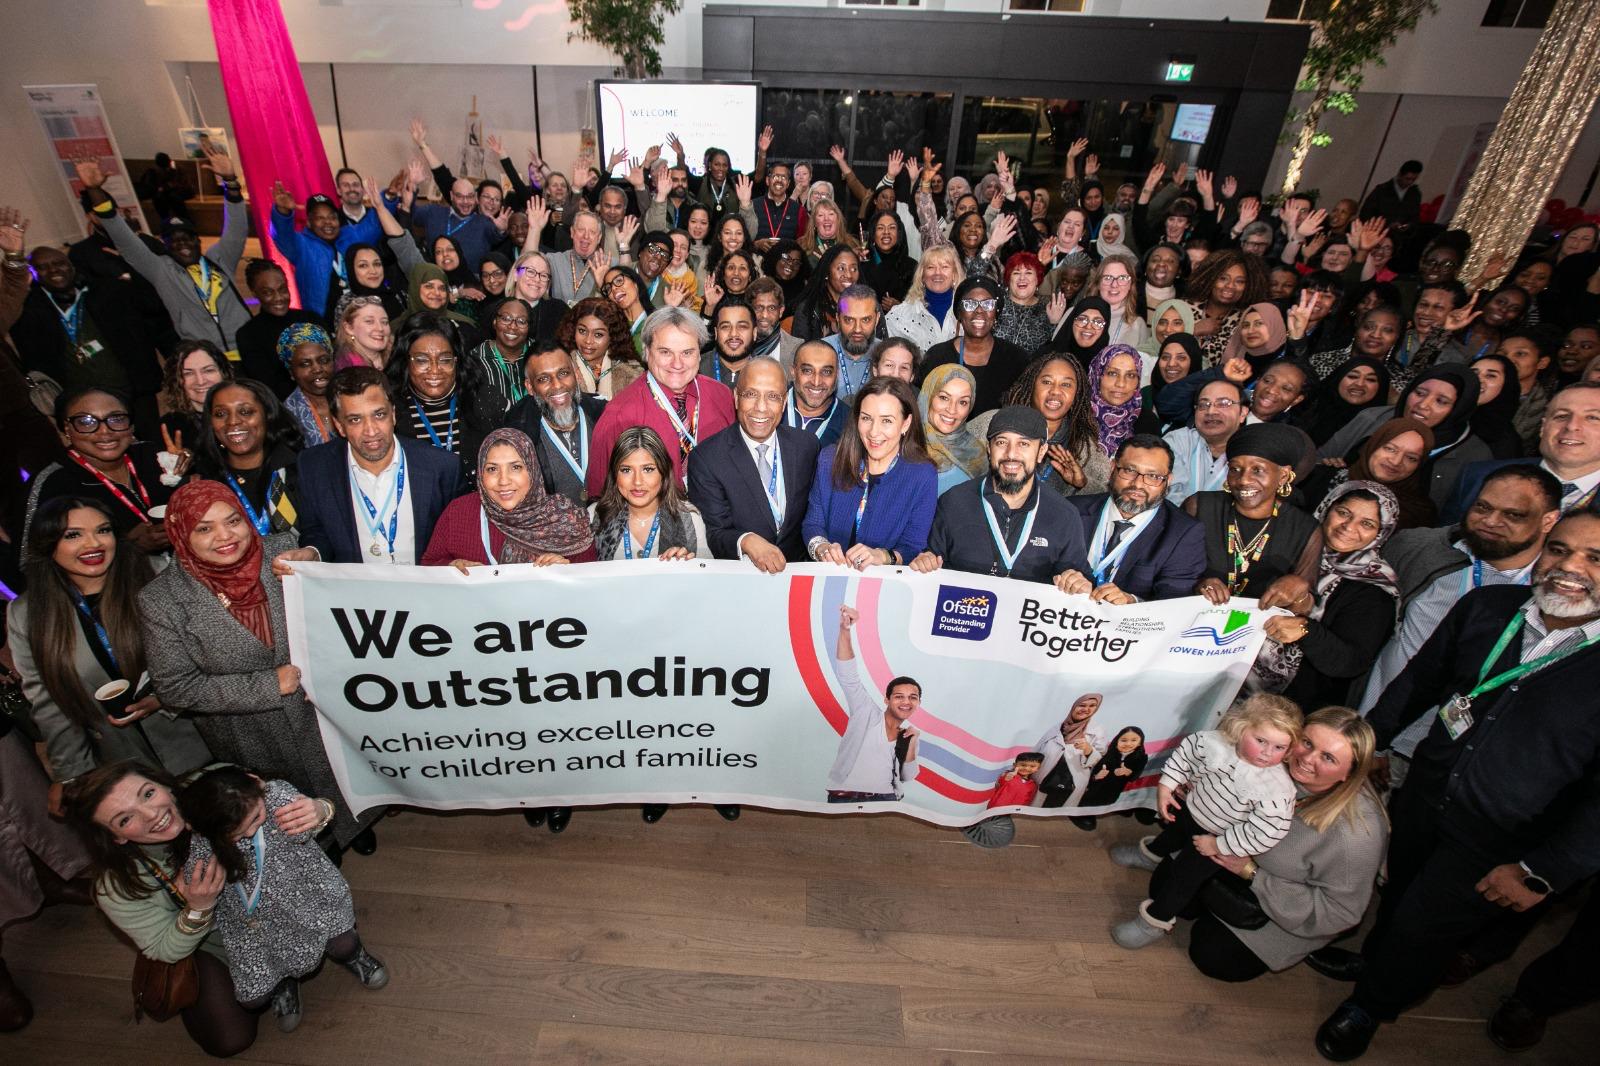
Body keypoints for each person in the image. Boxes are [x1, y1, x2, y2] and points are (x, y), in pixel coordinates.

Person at [1313, 511, 1600, 1062]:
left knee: (1425, 927)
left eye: (1595, 558)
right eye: (1560, 550)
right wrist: (1369, 745)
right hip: (1426, 792)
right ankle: (1374, 962)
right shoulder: (1488, 607)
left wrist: (1545, 870)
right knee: (1399, 894)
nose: (1570, 567)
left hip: (1500, 837)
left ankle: (1371, 1005)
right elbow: (1420, 681)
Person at [137, 480, 374, 854]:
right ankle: (316, 847)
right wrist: (268, 685)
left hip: (321, 707)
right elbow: (175, 688)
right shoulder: (161, 600)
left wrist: (314, 559)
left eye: (233, 521)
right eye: (204, 528)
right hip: (247, 731)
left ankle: (353, 825)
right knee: (281, 802)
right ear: (180, 533)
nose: (224, 536)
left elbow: (339, 606)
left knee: (340, 778)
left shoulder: (282, 552)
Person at [1153, 706, 1389, 983]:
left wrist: (1252, 873)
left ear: (1349, 773)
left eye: (1328, 757)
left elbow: (1340, 913)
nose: (1306, 759)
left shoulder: (1355, 836)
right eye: (1307, 742)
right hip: (1224, 853)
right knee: (1161, 889)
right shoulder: (1271, 754)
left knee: (1212, 955)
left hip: (1279, 899)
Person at [1359, 465, 1563, 772]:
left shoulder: (1552, 597)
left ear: (1549, 520)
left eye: (1513, 514)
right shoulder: (1421, 549)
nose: (1491, 521)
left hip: (1443, 762)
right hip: (1365, 734)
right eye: (1483, 507)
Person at [10, 498, 211, 792]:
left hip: (201, 742)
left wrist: (168, 696)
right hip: (123, 770)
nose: (93, 543)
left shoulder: (158, 574)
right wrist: (73, 776)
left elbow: (210, 652)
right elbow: (50, 705)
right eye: (73, 535)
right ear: (48, 544)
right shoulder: (27, 614)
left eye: (103, 530)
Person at [62, 763, 260, 1056]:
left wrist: (319, 811)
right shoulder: (117, 887)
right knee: (230, 1040)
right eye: (125, 818)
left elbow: (292, 806)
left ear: (163, 784)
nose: (151, 814)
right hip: (209, 942)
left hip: (273, 907)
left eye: (148, 793)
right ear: (116, 837)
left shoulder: (213, 786)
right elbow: (163, 948)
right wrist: (198, 907)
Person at [177, 767, 387, 1031]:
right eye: (238, 833)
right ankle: (284, 981)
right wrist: (194, 894)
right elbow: (200, 888)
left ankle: (355, 957)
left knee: (344, 943)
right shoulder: (204, 843)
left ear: (256, 784)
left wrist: (320, 810)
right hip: (257, 924)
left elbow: (313, 820)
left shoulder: (275, 798)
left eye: (256, 817)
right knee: (254, 998)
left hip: (310, 894)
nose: (251, 831)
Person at [1110, 695, 1303, 949]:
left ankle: (1154, 922)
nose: (1268, 753)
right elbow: (1186, 754)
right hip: (1192, 809)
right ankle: (1150, 856)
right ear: (1241, 727)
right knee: (1171, 835)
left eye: (1279, 747)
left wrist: (1219, 845)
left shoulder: (1277, 789)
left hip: (1218, 839)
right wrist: (1167, 785)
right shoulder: (1215, 743)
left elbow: (1267, 831)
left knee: (1182, 880)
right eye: (1261, 741)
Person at [76, 149, 251, 359]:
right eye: (174, 240)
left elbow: (237, 228)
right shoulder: (161, 270)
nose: (182, 243)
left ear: (198, 240)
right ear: (165, 246)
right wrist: (94, 190)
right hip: (206, 358)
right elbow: (123, 237)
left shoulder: (220, 258)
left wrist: (231, 181)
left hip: (246, 349)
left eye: (187, 237)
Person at [1249, 482, 1402, 710]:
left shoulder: (1374, 590)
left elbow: (1351, 662)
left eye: (1367, 524)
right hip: (1224, 671)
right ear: (1326, 508)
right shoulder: (1281, 546)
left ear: (1381, 533)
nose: (1348, 527)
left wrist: (1306, 630)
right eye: (1343, 513)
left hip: (1287, 710)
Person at [295, 365, 465, 565]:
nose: (371, 430)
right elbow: (316, 531)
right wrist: (314, 552)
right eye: (355, 419)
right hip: (354, 584)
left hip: (424, 582)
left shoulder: (442, 467)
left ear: (393, 414)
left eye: (379, 415)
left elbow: (458, 536)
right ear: (339, 426)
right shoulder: (314, 467)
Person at [910, 404, 1090, 585]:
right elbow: (928, 559)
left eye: (1024, 444)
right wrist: (924, 561)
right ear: (989, 448)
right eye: (1001, 442)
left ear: (1041, 451)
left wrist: (1078, 582)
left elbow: (1079, 579)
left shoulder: (1064, 516)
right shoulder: (954, 502)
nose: (1011, 454)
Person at [13, 243, 165, 435]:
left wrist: (130, 265)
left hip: (133, 391)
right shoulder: (27, 312)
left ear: (72, 266)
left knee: (150, 442)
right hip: (81, 403)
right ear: (32, 274)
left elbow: (152, 306)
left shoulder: (107, 292)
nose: (53, 270)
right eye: (42, 267)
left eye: (59, 263)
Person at [585, 307, 736, 497]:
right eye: (665, 352)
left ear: (699, 353)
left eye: (687, 352)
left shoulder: (722, 396)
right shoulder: (619, 415)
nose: (677, 364)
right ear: (647, 352)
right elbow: (600, 494)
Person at [688, 357, 821, 568]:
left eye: (773, 396)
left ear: (784, 402)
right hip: (741, 577)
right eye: (751, 394)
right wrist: (746, 541)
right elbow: (715, 533)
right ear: (736, 398)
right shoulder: (707, 458)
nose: (761, 407)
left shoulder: (807, 446)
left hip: (796, 574)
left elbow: (814, 514)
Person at [25, 387, 178, 557]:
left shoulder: (153, 456)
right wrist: (128, 548)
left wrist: (192, 470)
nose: (105, 431)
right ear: (67, 429)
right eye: (86, 422)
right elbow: (34, 559)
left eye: (117, 419)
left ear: (131, 426)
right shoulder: (52, 484)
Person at [804, 376, 937, 569]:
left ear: (906, 424)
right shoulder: (830, 458)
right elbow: (812, 524)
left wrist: (882, 556)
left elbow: (911, 547)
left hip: (882, 582)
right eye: (866, 418)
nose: (874, 432)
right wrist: (822, 548)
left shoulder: (923, 474)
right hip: (829, 576)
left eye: (886, 421)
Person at [1319, 364, 1489, 511]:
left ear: (1459, 409)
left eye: (1441, 401)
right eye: (1420, 393)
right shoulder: (1372, 418)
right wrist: (1327, 468)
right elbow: (1318, 459)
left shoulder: (1474, 456)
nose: (1423, 405)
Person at [422, 428, 594, 570]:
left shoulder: (566, 519)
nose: (503, 481)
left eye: (515, 467)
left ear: (533, 470)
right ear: (481, 474)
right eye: (492, 469)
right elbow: (428, 566)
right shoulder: (458, 513)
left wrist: (567, 571)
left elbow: (591, 581)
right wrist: (449, 567)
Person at [1188, 422, 1322, 603]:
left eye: (1257, 470)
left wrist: (1300, 592)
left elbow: (1305, 607)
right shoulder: (1200, 506)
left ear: (1283, 475)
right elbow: (1170, 568)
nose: (1243, 480)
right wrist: (1199, 583)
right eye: (1235, 469)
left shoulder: (1304, 530)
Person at [1066, 434, 1206, 603]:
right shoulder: (1070, 510)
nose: (1138, 484)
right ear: (1112, 468)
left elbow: (1174, 603)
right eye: (1130, 471)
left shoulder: (1184, 533)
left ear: (1168, 480)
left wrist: (1132, 602)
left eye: (1153, 476)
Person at [1445, 382, 1600, 524]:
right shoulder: (1479, 475)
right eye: (1561, 416)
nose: (1571, 426)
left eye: (1592, 418)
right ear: (1542, 428)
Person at [969, 354, 1109, 498]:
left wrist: (1082, 485)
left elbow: (1107, 497)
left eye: (1066, 384)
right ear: (1032, 385)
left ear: (1077, 394)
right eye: (1047, 382)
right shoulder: (991, 423)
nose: (1055, 391)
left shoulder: (1085, 448)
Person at [387, 313, 498, 482]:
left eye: (445, 360)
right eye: (422, 360)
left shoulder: (484, 400)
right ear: (405, 361)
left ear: (457, 360)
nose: (434, 370)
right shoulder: (390, 408)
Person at [826, 605, 919, 803]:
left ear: (918, 703)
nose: (906, 701)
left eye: (913, 697)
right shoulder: (866, 712)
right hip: (845, 798)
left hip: (886, 800)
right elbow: (848, 676)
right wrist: (845, 630)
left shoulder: (908, 735)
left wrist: (911, 743)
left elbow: (907, 776)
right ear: (887, 699)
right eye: (899, 696)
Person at [194, 379, 306, 538]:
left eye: (245, 411)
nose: (233, 421)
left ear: (268, 415)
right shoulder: (204, 483)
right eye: (220, 414)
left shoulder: (301, 470)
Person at [503, 342, 606, 507]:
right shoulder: (518, 435)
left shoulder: (604, 415)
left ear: (576, 374)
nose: (557, 385)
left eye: (564, 373)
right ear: (530, 387)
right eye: (543, 379)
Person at [915, 277, 1031, 414]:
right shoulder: (937, 356)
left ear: (996, 313)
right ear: (959, 313)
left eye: (988, 304)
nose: (979, 310)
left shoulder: (1016, 359)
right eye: (970, 304)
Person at [268, 188, 367, 321]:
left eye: (332, 217)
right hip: (323, 323)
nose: (328, 222)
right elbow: (282, 234)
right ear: (309, 223)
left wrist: (389, 197)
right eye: (320, 218)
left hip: (359, 318)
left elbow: (373, 226)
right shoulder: (302, 244)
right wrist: (283, 212)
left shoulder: (349, 236)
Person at [232, 261, 320, 404]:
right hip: (287, 405)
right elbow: (267, 385)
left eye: (282, 289)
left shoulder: (311, 319)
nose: (278, 298)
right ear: (254, 292)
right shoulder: (248, 335)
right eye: (268, 292)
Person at [1187, 250, 1268, 365]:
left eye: (1239, 281)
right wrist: (1192, 330)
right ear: (1210, 278)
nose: (1230, 286)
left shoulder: (1247, 320)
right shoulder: (1184, 308)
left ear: (1249, 286)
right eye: (1223, 278)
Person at [918, 365, 986, 495]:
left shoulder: (977, 453)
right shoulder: (905, 446)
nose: (952, 410)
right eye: (944, 398)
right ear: (928, 396)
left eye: (962, 402)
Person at [559, 295, 641, 401]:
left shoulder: (631, 373)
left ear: (613, 336)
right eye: (582, 331)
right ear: (573, 330)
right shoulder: (560, 367)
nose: (588, 341)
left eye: (598, 334)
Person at [885, 245, 963, 353]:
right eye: (931, 267)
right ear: (922, 275)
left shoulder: (968, 310)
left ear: (954, 274)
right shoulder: (900, 315)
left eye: (944, 267)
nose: (937, 273)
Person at [1300, 356, 1392, 447]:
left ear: (1381, 387)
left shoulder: (1382, 428)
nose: (1360, 384)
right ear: (1338, 378)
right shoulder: (1306, 407)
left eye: (1370, 379)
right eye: (1353, 376)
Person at [472, 296, 536, 413]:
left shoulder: (540, 354)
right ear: (495, 322)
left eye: (521, 321)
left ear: (529, 327)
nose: (512, 326)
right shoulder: (476, 360)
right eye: (506, 319)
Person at [784, 339, 850, 446]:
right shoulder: (771, 406)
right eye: (807, 370)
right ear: (793, 371)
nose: (816, 382)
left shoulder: (849, 423)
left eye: (826, 372)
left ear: (837, 374)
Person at [280, 324, 336, 448]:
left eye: (323, 360)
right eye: (305, 364)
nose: (317, 369)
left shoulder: (353, 397)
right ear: (291, 373)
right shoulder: (288, 417)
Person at [1136, 332, 1202, 436]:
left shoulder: (1202, 400)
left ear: (1193, 362)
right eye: (1165, 357)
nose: (1171, 364)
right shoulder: (1145, 394)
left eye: (1181, 358)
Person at [995, 251, 1051, 353]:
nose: (1022, 278)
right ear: (1009, 279)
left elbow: (1052, 349)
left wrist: (1054, 322)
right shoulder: (996, 302)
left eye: (1028, 273)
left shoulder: (1048, 308)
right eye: (1016, 273)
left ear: (1037, 279)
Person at [698, 298, 757, 387]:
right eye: (725, 327)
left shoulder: (767, 372)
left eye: (742, 326)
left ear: (754, 333)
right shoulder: (696, 369)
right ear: (716, 333)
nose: (733, 334)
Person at [1359, 160, 1424, 235]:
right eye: (1407, 179)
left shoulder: (1415, 194)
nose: (1410, 182)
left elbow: (1415, 217)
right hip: (1377, 234)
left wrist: (1408, 226)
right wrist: (1387, 225)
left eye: (1413, 179)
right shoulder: (1381, 190)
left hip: (1400, 237)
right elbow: (1366, 214)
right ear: (1400, 175)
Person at [331, 294, 393, 372]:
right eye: (369, 321)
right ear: (349, 328)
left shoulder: (398, 357)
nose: (380, 328)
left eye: (384, 322)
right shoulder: (346, 369)